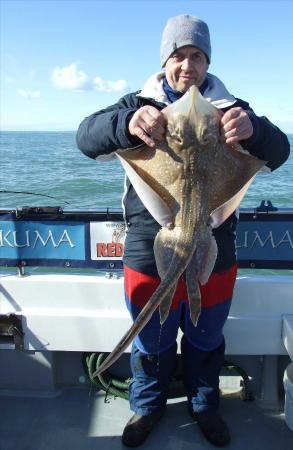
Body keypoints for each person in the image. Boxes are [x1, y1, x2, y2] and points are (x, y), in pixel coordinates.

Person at [76, 14, 290, 447]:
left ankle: (205, 404)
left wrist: (255, 130)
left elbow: (280, 151)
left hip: (215, 240)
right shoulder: (137, 103)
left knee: (205, 332)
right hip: (147, 239)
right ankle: (147, 405)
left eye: (196, 56)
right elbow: (86, 137)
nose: (187, 65)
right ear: (165, 60)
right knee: (151, 333)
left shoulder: (232, 110)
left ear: (207, 62)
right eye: (178, 55)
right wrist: (128, 123)